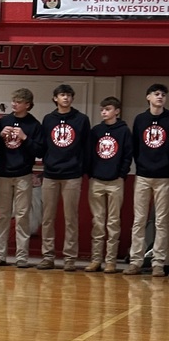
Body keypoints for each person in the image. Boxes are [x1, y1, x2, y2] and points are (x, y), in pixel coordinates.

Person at [0, 88, 44, 268]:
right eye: (13, 101)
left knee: (22, 216)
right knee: (3, 215)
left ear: (27, 104)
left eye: (18, 102)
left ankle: (21, 257)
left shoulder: (34, 125)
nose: (14, 104)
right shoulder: (4, 121)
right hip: (3, 172)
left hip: (23, 174)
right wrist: (0, 135)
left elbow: (40, 151)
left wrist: (24, 137)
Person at [38, 83, 90, 271]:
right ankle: (48, 256)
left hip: (72, 175)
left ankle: (70, 258)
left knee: (71, 218)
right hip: (50, 174)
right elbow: (43, 145)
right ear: (55, 98)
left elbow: (86, 147)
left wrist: (81, 168)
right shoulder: (48, 119)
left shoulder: (81, 119)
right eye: (62, 95)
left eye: (68, 95)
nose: (65, 98)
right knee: (48, 217)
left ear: (72, 98)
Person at [124, 83, 169, 277]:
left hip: (164, 177)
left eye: (163, 95)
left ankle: (159, 262)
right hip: (143, 175)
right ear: (148, 97)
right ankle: (135, 261)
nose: (160, 97)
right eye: (156, 94)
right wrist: (140, 164)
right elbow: (135, 145)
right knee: (139, 220)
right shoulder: (140, 119)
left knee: (162, 221)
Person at [85, 96, 132, 273]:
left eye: (108, 109)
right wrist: (91, 174)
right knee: (97, 222)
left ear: (117, 111)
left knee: (113, 222)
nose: (104, 112)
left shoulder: (124, 131)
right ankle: (96, 259)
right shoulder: (96, 130)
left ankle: (110, 260)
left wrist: (121, 174)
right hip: (96, 180)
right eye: (102, 109)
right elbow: (89, 153)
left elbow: (128, 155)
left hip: (115, 182)